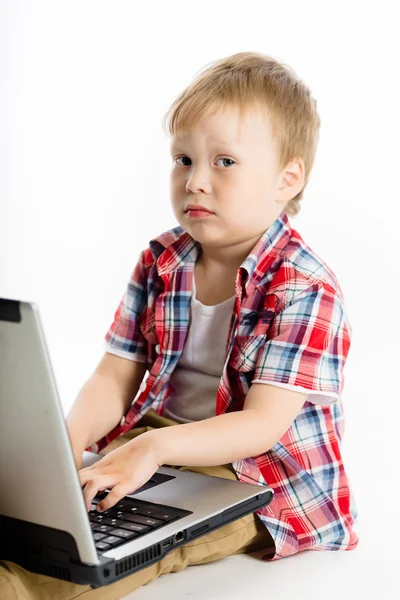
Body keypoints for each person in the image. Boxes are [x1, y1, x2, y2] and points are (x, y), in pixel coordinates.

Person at [0, 51, 359, 599]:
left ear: (287, 178)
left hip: (255, 474)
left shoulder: (305, 288)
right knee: (46, 507)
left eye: (225, 162)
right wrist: (67, 443)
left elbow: (261, 426)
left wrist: (152, 451)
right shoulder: (161, 260)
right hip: (162, 440)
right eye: (183, 159)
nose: (195, 181)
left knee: (128, 545)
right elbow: (114, 376)